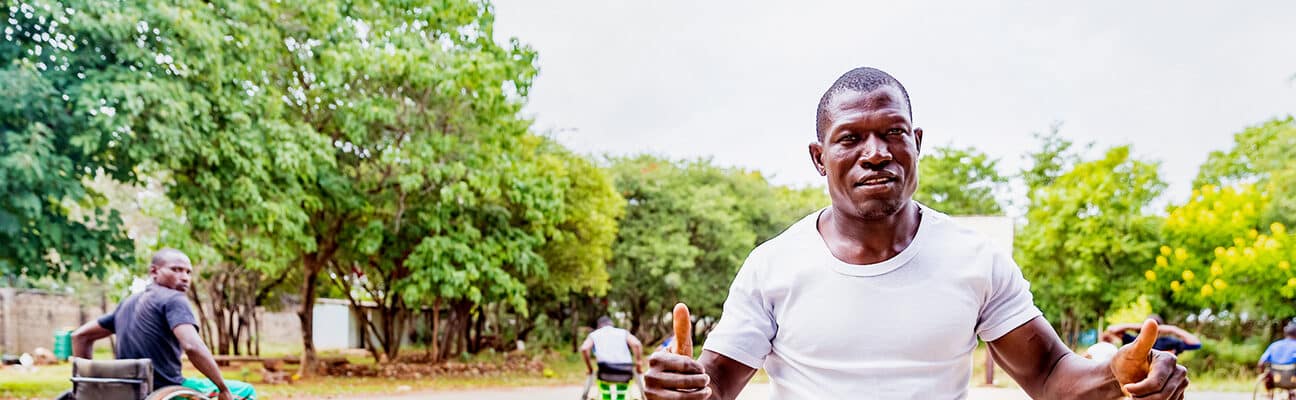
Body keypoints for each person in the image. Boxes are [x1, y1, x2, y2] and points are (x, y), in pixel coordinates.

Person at [643, 67, 1189, 399]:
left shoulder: (976, 260)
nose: (875, 153)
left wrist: (1118, 375)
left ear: (917, 141)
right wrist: (676, 388)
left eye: (893, 133)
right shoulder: (773, 266)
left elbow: (1049, 376)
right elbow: (713, 386)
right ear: (818, 157)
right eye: (850, 137)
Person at [71, 249, 255, 400]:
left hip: (128, 391)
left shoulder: (127, 303)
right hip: (168, 390)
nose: (184, 277)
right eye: (176, 269)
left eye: (188, 272)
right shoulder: (174, 299)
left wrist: (89, 385)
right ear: (154, 272)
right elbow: (192, 346)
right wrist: (222, 388)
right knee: (245, 391)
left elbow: (80, 336)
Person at [1106, 315, 1202, 355]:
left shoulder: (1169, 342)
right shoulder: (1135, 340)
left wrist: (1173, 329)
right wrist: (1140, 327)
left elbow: (1196, 344)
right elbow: (1111, 330)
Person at [1259, 320, 1296, 391]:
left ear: (1285, 334)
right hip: (1293, 379)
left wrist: (1263, 374)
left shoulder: (1274, 345)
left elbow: (1261, 362)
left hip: (1276, 379)